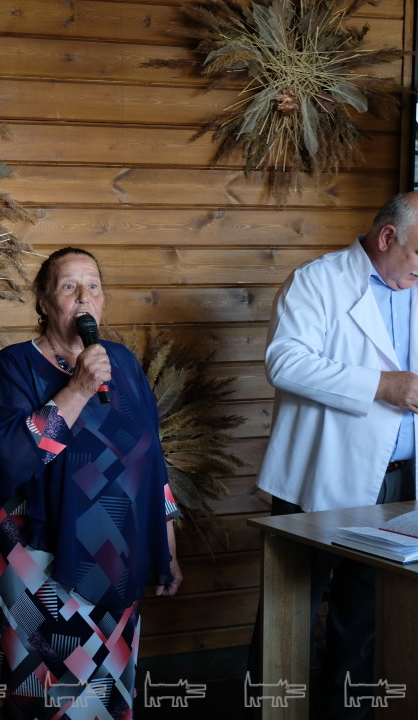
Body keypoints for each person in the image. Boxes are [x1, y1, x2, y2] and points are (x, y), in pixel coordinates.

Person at [0, 247, 181, 720]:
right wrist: (79, 389)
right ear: (44, 302)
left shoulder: (121, 363)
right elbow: (11, 456)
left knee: (106, 694)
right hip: (35, 558)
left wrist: (166, 540)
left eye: (93, 286)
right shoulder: (16, 364)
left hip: (116, 551)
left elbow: (151, 455)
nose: (84, 297)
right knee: (44, 697)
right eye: (69, 287)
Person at [251, 192, 418, 718]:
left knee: (362, 623)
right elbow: (285, 362)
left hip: (402, 485)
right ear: (388, 237)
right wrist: (383, 385)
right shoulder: (317, 281)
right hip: (319, 480)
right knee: (288, 620)